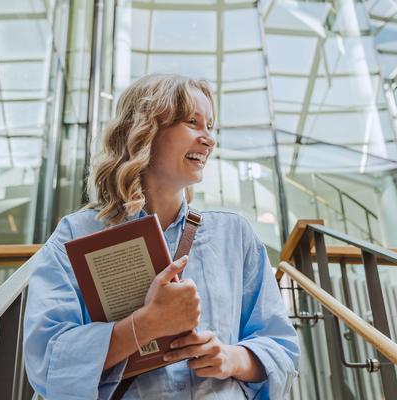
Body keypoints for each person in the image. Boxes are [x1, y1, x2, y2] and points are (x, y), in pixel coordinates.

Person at [22, 74, 299, 399]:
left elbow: (281, 348)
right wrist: (144, 326)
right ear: (145, 130)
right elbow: (47, 359)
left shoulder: (235, 236)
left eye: (210, 126)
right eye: (193, 122)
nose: (209, 139)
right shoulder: (75, 234)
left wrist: (229, 358)